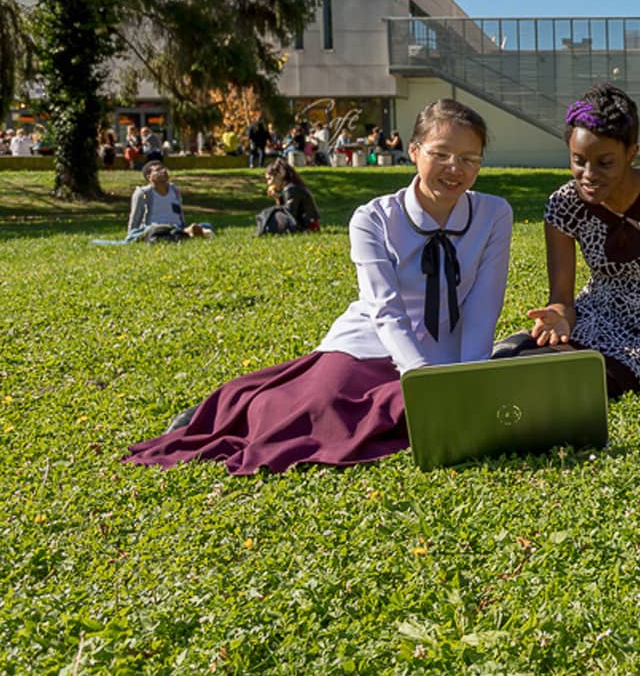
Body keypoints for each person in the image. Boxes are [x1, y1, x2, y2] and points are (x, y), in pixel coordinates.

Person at [125, 99, 513, 475]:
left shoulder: (494, 214)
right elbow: (385, 310)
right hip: (369, 345)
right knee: (321, 408)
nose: (454, 168)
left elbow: (483, 307)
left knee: (408, 416)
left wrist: (467, 383)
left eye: (469, 159)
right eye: (441, 154)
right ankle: (221, 413)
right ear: (413, 151)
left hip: (446, 353)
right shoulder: (373, 218)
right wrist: (423, 382)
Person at [492, 84, 640, 398]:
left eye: (604, 162)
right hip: (591, 319)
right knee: (502, 359)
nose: (588, 174)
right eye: (578, 160)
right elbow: (562, 297)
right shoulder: (563, 205)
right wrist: (558, 315)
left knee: (551, 377)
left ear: (631, 152)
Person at [123, 160, 213, 242]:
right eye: (158, 170)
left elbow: (179, 212)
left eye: (163, 168)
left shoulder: (174, 190)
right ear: (149, 177)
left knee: (206, 224)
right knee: (159, 231)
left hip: (177, 226)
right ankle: (189, 233)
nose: (163, 171)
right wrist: (131, 236)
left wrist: (183, 225)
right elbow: (135, 216)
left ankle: (186, 232)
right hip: (155, 228)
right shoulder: (143, 193)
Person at [255, 158, 322, 234]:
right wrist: (278, 198)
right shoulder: (290, 187)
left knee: (271, 213)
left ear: (280, 174)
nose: (269, 183)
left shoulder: (291, 189)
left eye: (270, 179)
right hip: (307, 224)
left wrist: (278, 198)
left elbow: (289, 213)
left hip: (309, 226)